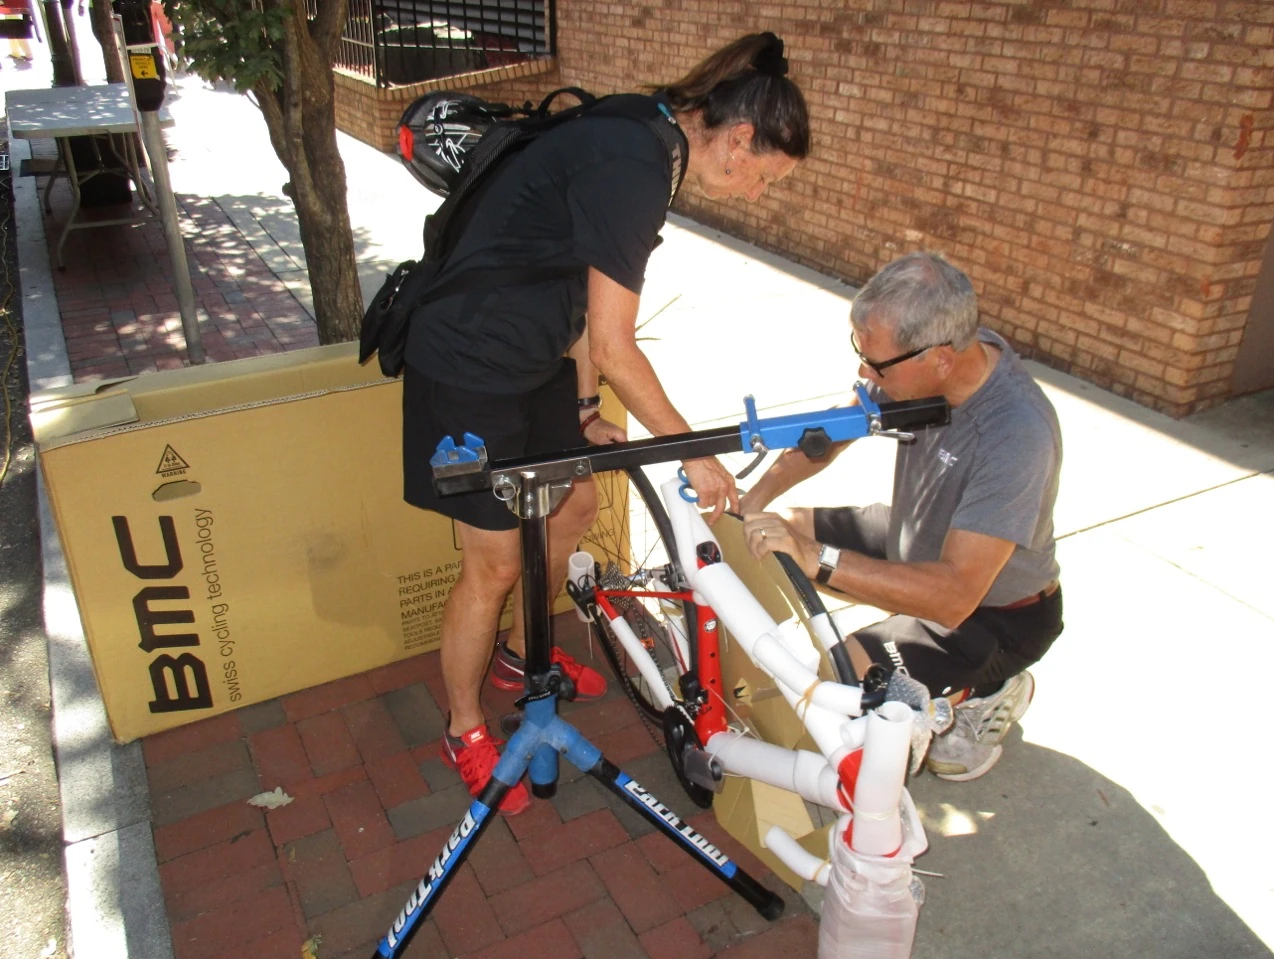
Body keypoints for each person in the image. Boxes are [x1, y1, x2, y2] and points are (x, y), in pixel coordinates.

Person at [402, 33, 810, 814]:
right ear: (738, 138)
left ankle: (524, 661)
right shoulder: (635, 163)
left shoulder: (644, 136)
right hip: (467, 363)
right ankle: (462, 726)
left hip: (535, 357)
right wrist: (692, 455)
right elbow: (620, 347)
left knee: (575, 507)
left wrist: (585, 412)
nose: (759, 194)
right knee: (490, 565)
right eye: (766, 176)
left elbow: (589, 307)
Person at [740, 251, 1063, 782]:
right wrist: (756, 497)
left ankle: (986, 691)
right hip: (915, 533)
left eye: (878, 365)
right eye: (861, 353)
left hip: (993, 611)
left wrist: (817, 559)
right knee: (778, 526)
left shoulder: (1016, 433)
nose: (866, 373)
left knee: (846, 672)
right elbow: (837, 429)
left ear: (940, 358)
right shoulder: (926, 363)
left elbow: (955, 594)